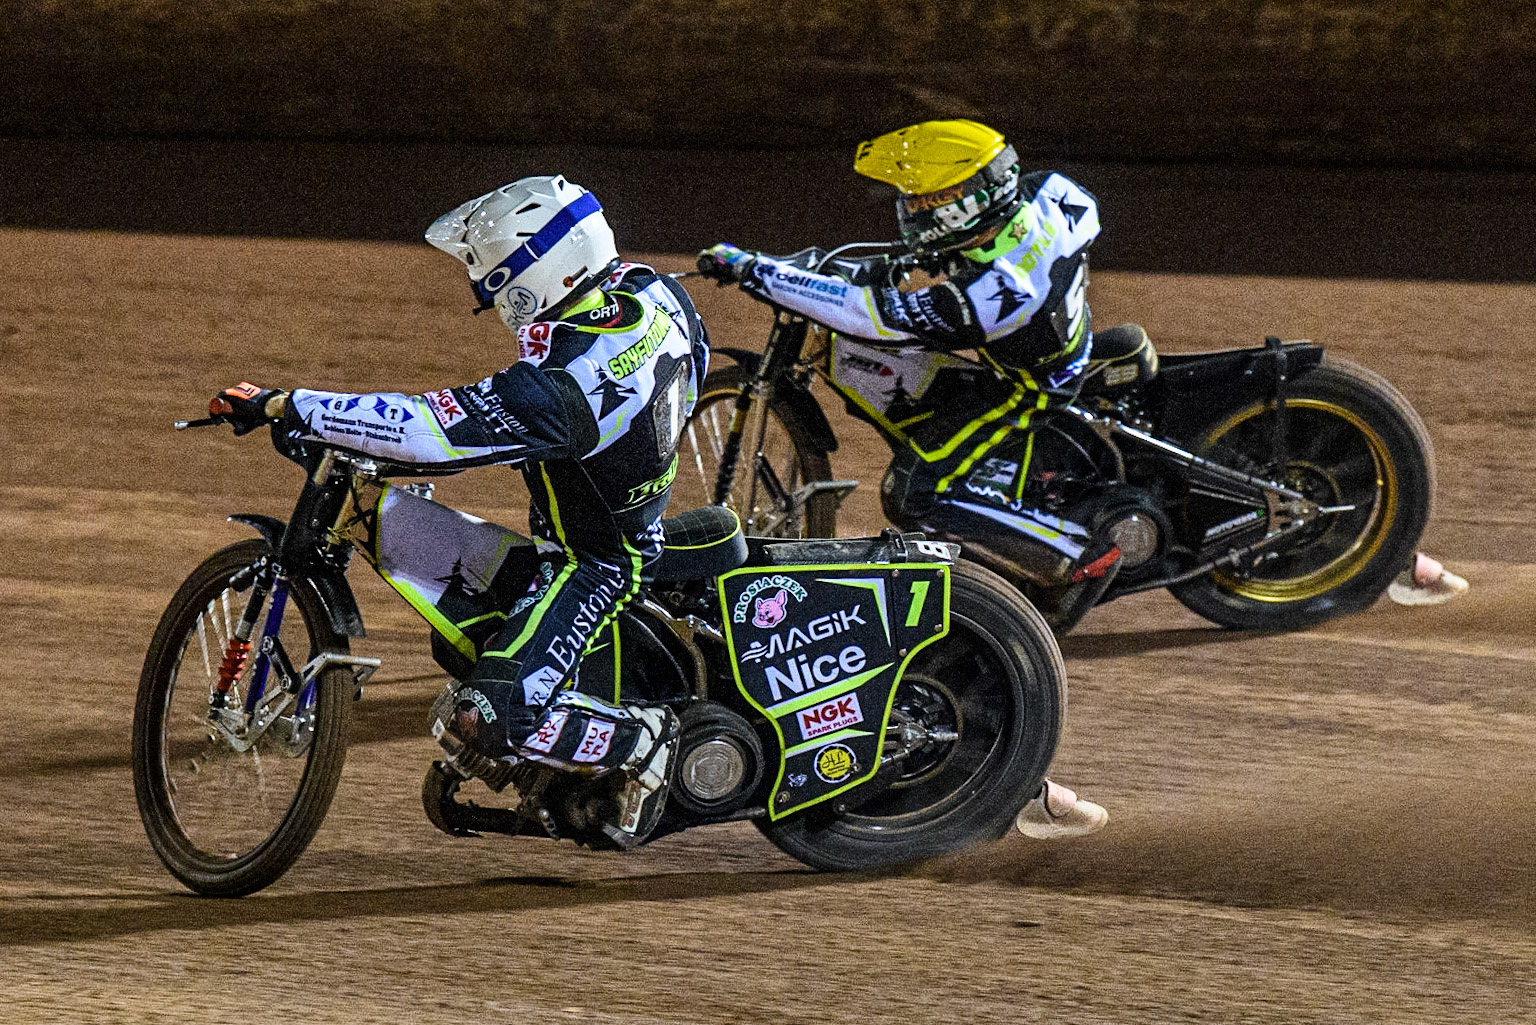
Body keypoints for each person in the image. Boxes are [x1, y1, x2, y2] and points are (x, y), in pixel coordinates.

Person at [209, 175, 710, 849]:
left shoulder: (556, 388)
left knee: (472, 720)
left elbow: (426, 429)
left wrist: (286, 403)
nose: (493, 299)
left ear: (537, 274)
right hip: (619, 522)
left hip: (592, 567)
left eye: (497, 282)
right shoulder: (656, 294)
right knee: (458, 631)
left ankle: (643, 739)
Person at [699, 119, 1110, 841]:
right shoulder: (1049, 195)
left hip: (1030, 389)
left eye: (928, 203)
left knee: (917, 493)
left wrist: (757, 270)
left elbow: (872, 315)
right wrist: (917, 255)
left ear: (968, 201)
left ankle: (1075, 549)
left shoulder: (987, 294)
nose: (913, 213)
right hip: (1047, 339)